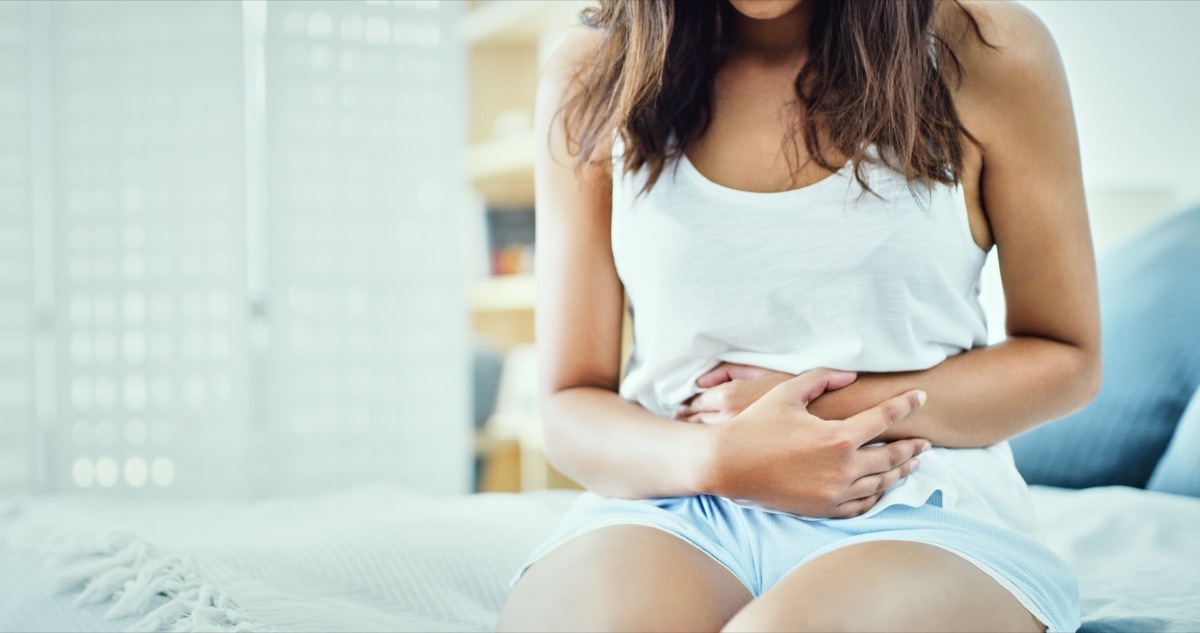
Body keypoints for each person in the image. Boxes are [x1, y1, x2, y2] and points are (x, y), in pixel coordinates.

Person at [497, 0, 1099, 630]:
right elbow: (569, 403)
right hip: (673, 500)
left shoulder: (987, 49)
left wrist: (816, 412)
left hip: (916, 501)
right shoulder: (594, 74)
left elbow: (1068, 358)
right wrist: (722, 459)